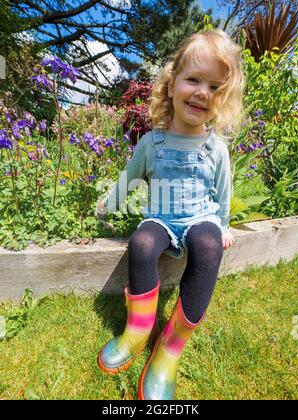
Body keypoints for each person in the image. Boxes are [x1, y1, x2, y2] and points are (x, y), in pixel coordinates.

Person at [96, 28, 245, 400]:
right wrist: (108, 205)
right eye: (193, 79)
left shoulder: (215, 149)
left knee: (209, 245)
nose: (201, 93)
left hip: (201, 219)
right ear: (172, 81)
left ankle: (171, 346)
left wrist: (223, 225)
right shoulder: (152, 142)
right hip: (161, 218)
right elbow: (129, 179)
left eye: (214, 87)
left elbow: (223, 192)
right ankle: (138, 329)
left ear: (222, 99)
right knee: (143, 242)